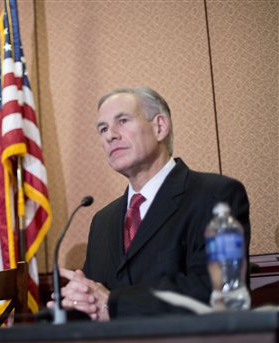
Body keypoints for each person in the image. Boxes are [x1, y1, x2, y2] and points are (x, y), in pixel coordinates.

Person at [50, 87, 250, 321]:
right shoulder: (103, 221)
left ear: (160, 127)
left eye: (122, 121)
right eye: (102, 129)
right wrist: (75, 304)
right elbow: (96, 302)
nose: (110, 135)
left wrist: (112, 303)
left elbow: (217, 291)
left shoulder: (216, 196)